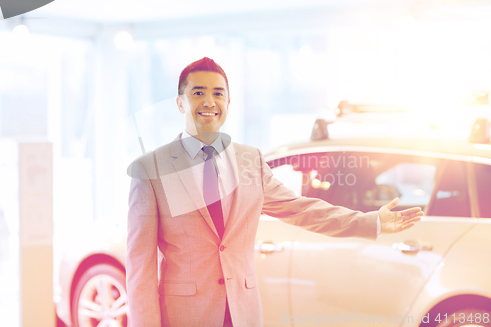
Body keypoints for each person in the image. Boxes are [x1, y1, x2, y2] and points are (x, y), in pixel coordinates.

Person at [126, 57, 424, 327]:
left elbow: (301, 209)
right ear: (180, 102)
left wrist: (370, 221)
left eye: (218, 93)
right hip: (184, 318)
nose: (209, 101)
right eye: (198, 92)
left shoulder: (249, 161)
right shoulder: (150, 169)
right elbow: (140, 269)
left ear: (228, 103)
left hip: (243, 314)